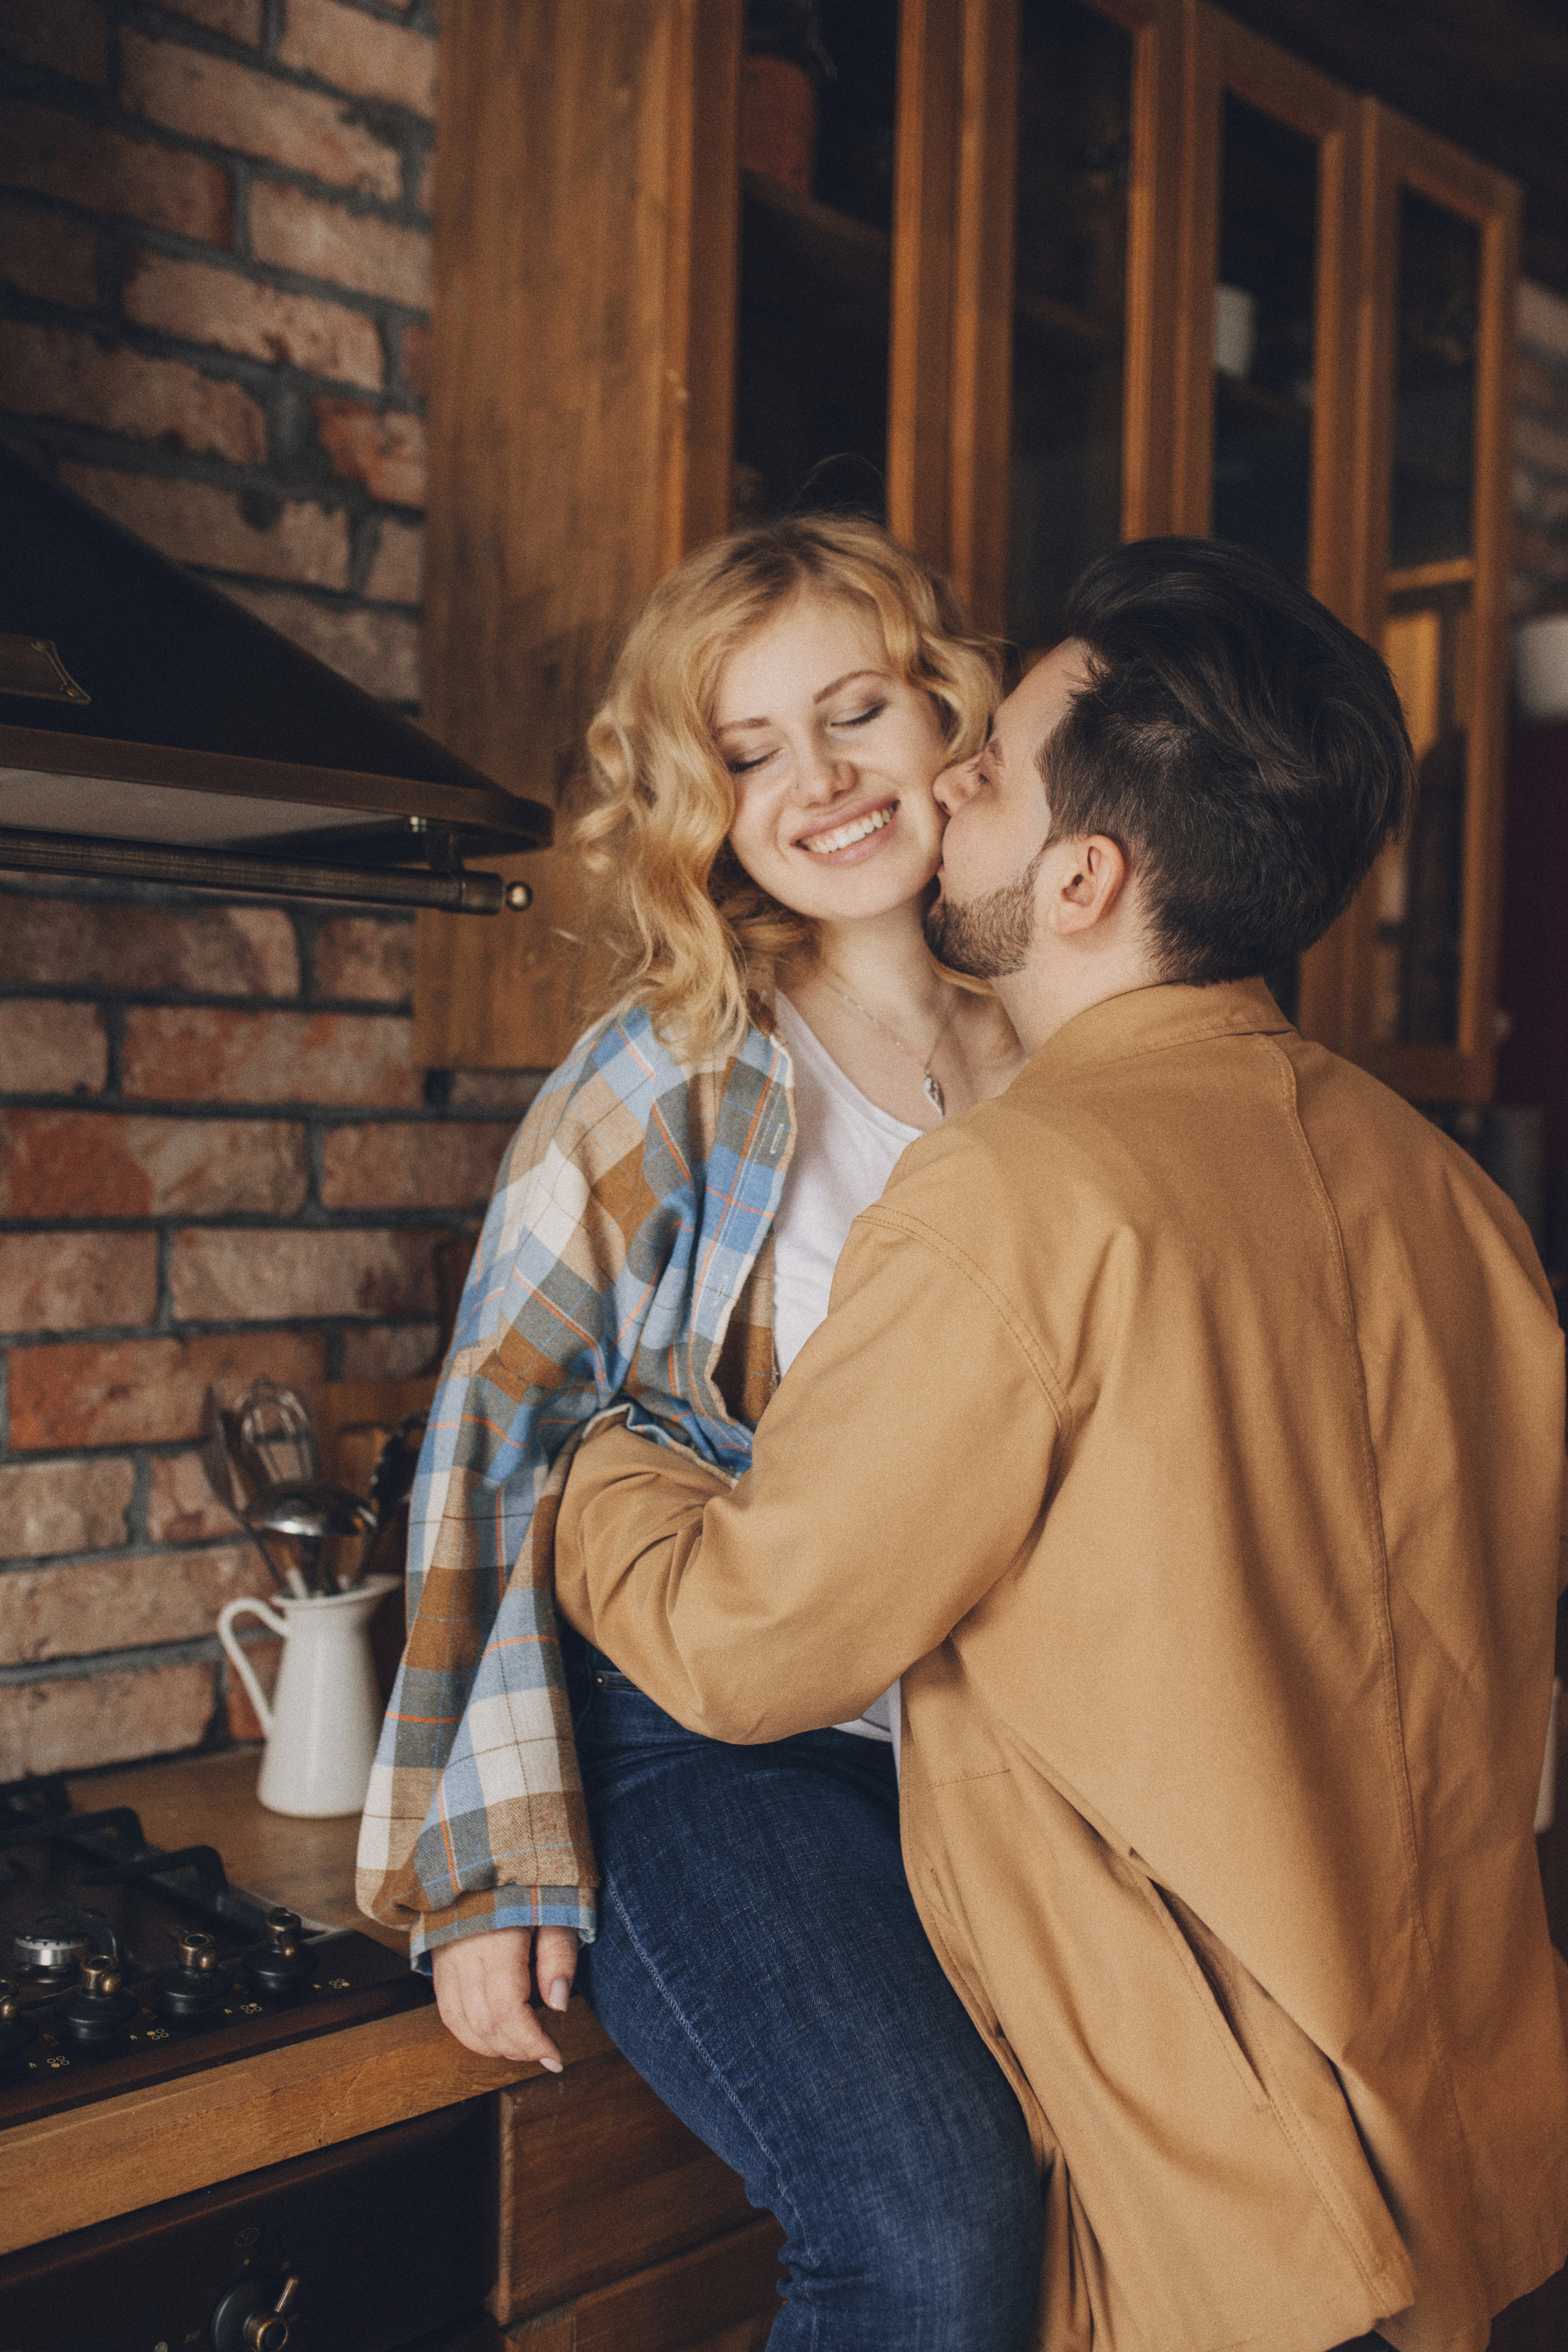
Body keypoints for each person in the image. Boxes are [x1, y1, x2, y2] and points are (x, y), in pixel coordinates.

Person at [554, 537, 1568, 2352]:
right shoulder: (1462, 1206)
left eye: (987, 769)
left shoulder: (1020, 1198)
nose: (940, 783)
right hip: (1471, 2148)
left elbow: (748, 1644)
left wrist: (605, 1465)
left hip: (1227, 2191)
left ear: (1082, 875)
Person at [356, 514, 1045, 2350]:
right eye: (749, 754)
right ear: (700, 800)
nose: (816, 783)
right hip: (712, 1749)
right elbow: (497, 1444)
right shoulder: (673, 1071)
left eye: (857, 714)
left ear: (944, 714)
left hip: (991, 1752)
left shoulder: (1061, 1052)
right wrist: (484, 1865)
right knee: (932, 2231)